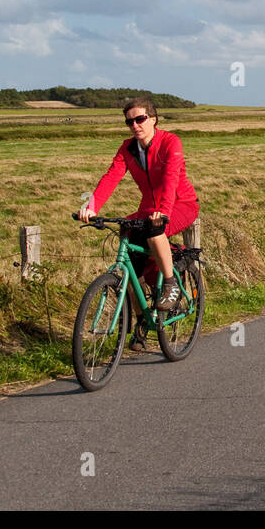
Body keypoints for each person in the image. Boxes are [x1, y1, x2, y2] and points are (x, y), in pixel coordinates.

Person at [77, 97, 200, 349]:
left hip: (180, 204)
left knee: (155, 231)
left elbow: (170, 179)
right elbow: (111, 177)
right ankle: (143, 320)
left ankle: (170, 283)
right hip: (149, 208)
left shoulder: (170, 142)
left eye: (140, 119)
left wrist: (163, 212)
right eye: (129, 121)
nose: (135, 125)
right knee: (131, 268)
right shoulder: (127, 149)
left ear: (153, 119)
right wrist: (91, 207)